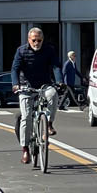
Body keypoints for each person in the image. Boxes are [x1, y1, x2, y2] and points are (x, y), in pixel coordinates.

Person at [11, 27, 62, 164]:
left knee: (53, 94)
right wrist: (15, 84)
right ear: (29, 39)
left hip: (44, 85)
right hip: (25, 87)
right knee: (26, 117)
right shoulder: (21, 51)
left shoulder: (49, 50)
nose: (36, 43)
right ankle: (25, 150)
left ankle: (49, 124)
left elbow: (56, 66)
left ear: (43, 40)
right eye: (34, 40)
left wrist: (59, 81)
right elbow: (15, 69)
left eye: (39, 40)